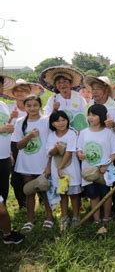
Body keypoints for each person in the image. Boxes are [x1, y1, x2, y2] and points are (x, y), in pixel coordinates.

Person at [12, 95, 53, 233]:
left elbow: (51, 141)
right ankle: (30, 220)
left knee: (45, 190)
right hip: (27, 163)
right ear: (25, 107)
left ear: (40, 106)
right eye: (29, 106)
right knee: (29, 191)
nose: (32, 108)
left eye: (35, 105)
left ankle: (49, 217)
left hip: (43, 162)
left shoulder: (46, 121)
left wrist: (49, 164)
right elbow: (18, 145)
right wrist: (29, 136)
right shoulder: (19, 122)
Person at [85, 76, 115, 215]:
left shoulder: (114, 107)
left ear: (106, 90)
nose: (94, 92)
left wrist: (113, 124)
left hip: (111, 150)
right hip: (95, 149)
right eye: (93, 89)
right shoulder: (90, 105)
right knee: (96, 178)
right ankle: (99, 207)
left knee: (114, 178)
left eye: (98, 89)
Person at [77, 104, 115, 224]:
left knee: (105, 193)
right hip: (89, 169)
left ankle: (106, 217)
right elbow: (79, 147)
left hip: (104, 170)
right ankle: (96, 219)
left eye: (94, 115)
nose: (91, 117)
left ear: (101, 117)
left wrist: (106, 165)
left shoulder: (108, 133)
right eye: (89, 114)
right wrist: (80, 153)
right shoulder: (84, 132)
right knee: (92, 194)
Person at [4, 79, 44, 209]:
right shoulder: (8, 108)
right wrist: (11, 117)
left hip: (36, 146)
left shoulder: (36, 110)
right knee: (17, 177)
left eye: (24, 90)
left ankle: (43, 200)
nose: (20, 93)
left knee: (38, 172)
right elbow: (6, 128)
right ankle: (23, 203)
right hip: (13, 144)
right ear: (13, 93)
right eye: (18, 90)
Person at [46, 111, 82, 230]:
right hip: (58, 172)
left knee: (74, 194)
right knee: (63, 194)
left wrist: (60, 167)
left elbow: (69, 152)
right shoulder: (51, 135)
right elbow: (50, 153)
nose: (61, 123)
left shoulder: (71, 134)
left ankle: (76, 216)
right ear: (52, 123)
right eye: (57, 121)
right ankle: (64, 216)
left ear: (68, 121)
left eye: (63, 120)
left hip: (70, 169)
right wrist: (56, 148)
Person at [41, 66, 88, 132]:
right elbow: (46, 119)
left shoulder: (80, 99)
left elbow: (83, 118)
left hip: (77, 133)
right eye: (59, 82)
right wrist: (54, 110)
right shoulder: (52, 99)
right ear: (56, 85)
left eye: (65, 81)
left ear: (71, 83)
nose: (62, 84)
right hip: (58, 133)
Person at [0, 75, 16, 205]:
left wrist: (10, 152)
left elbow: (6, 127)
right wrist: (2, 129)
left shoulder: (3, 105)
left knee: (3, 188)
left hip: (4, 155)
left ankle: (2, 217)